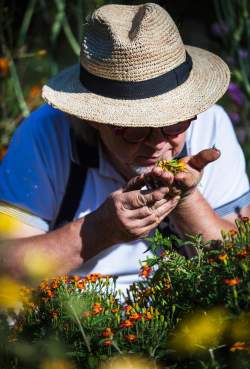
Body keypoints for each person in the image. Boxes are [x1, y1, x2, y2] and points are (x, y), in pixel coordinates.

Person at [0, 3, 249, 292]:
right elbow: (7, 266)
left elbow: (240, 265)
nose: (158, 144)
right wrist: (98, 230)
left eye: (174, 123)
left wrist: (187, 199)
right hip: (75, 323)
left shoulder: (210, 125)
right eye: (135, 129)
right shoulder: (45, 135)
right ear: (93, 118)